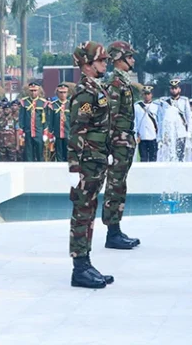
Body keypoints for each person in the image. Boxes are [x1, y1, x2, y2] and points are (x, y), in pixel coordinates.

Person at [67, 41, 114, 289]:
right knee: (82, 213)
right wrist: (74, 169)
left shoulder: (97, 89)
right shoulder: (85, 93)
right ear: (87, 64)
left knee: (89, 212)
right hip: (86, 164)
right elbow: (77, 131)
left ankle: (86, 262)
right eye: (101, 60)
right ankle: (79, 267)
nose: (105, 64)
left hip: (96, 162)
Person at [103, 41, 141, 250]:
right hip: (118, 142)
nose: (133, 60)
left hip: (124, 141)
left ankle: (116, 229)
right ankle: (112, 233)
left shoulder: (123, 83)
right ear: (119, 58)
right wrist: (110, 147)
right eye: (130, 56)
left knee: (120, 185)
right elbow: (111, 116)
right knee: (114, 186)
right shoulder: (116, 84)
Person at [19, 82, 49, 161]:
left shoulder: (43, 103)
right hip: (28, 131)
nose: (33, 92)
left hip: (39, 131)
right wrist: (21, 132)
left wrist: (45, 133)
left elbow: (45, 119)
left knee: (40, 154)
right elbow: (21, 118)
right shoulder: (24, 102)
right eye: (31, 91)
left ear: (39, 91)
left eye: (35, 90)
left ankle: (41, 171)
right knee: (29, 154)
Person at [167, 79, 190, 161]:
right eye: (172, 88)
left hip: (181, 130)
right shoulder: (166, 102)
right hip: (171, 131)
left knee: (180, 154)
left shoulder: (184, 100)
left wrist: (188, 131)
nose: (174, 90)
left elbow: (188, 117)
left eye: (175, 88)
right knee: (170, 154)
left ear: (179, 89)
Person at [134, 86, 159, 162]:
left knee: (153, 158)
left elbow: (159, 121)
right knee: (143, 158)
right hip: (142, 136)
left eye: (148, 94)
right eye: (145, 94)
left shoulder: (156, 106)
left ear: (151, 95)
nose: (146, 96)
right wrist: (136, 134)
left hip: (153, 136)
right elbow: (135, 121)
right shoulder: (137, 106)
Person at [158, 98, 186, 162]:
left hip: (179, 135)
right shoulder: (167, 111)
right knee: (169, 152)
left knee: (178, 155)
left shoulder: (172, 110)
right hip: (176, 135)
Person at [47, 84, 71, 162]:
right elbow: (50, 121)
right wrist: (50, 135)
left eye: (64, 92)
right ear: (57, 93)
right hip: (57, 133)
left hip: (68, 133)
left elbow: (73, 120)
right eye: (61, 92)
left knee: (68, 154)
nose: (63, 94)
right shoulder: (53, 105)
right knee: (59, 154)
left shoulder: (71, 105)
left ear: (67, 93)